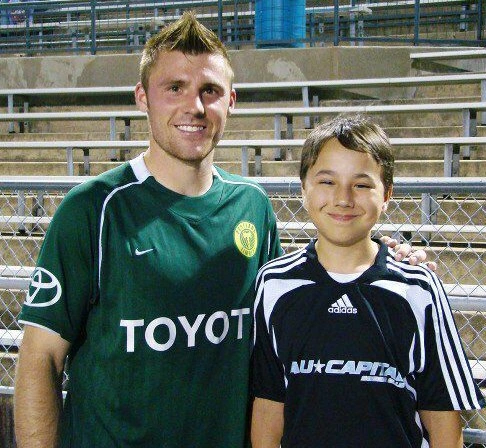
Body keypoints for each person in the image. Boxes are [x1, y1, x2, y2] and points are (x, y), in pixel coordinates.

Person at [14, 13, 430, 448]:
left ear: (231, 100)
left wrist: (386, 262)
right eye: (174, 88)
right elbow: (40, 360)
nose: (194, 106)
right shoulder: (92, 210)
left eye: (209, 91)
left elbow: (296, 301)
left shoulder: (252, 208)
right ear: (142, 97)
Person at [251, 115, 485, 448]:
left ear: (387, 194)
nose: (343, 198)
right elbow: (269, 406)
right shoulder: (274, 283)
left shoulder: (418, 289)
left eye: (361, 184)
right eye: (327, 181)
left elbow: (442, 417)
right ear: (303, 187)